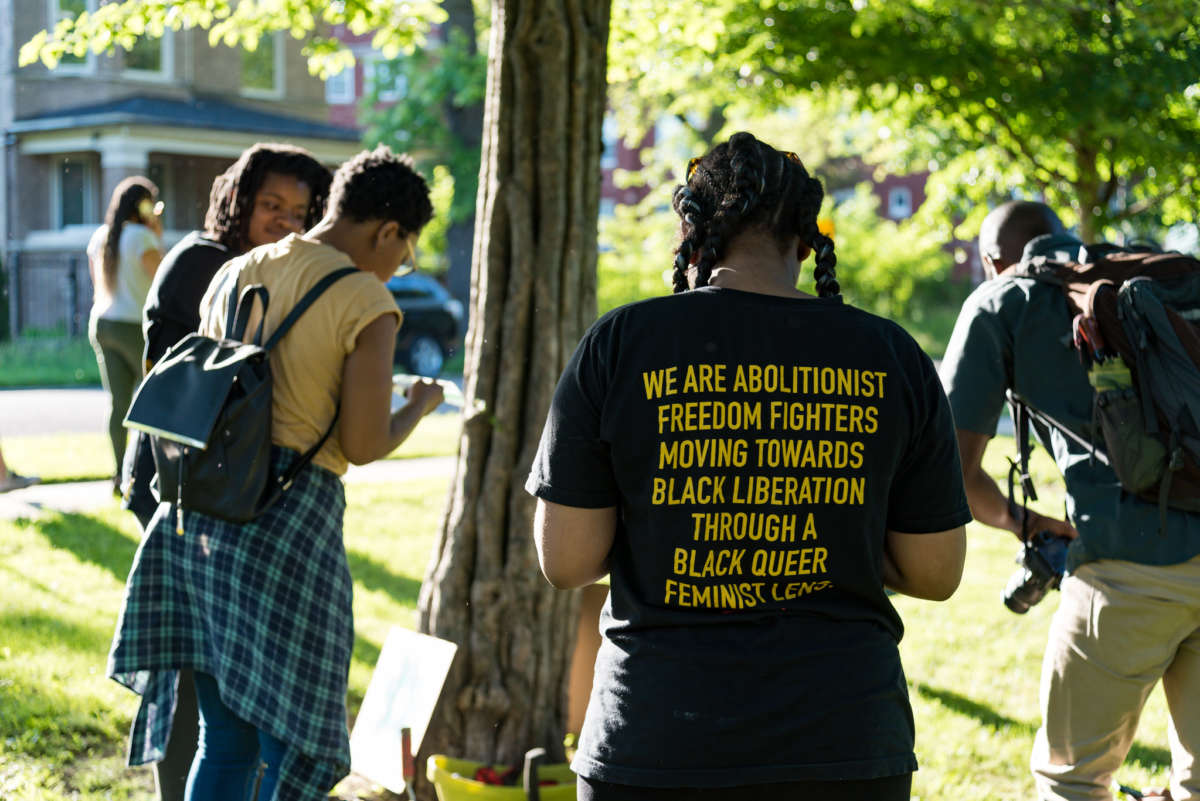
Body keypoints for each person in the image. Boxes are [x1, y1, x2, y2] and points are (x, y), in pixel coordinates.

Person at [526, 132, 970, 801]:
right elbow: (935, 571)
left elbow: (566, 560)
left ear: (690, 232)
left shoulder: (619, 345)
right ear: (806, 240)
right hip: (843, 743)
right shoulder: (892, 355)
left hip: (657, 742)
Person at [106, 145, 444, 801]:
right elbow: (364, 441)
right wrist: (420, 407)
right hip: (292, 522)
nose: (400, 266)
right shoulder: (365, 299)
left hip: (205, 514)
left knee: (223, 741)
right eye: (404, 251)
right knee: (289, 745)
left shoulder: (236, 270)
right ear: (387, 231)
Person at [939, 200, 1200, 801]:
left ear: (990, 261)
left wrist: (1025, 523)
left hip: (1126, 568)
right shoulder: (1149, 276)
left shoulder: (1004, 298)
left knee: (1073, 781)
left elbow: (953, 470)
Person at [123, 143, 332, 801]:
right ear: (240, 201)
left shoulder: (251, 268)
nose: (285, 223)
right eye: (271, 205)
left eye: (301, 212)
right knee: (197, 670)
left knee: (217, 672)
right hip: (186, 486)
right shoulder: (206, 264)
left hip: (221, 488)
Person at [87, 176, 163, 492]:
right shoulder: (142, 239)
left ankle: (120, 475)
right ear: (144, 205)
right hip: (134, 326)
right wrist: (157, 235)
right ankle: (150, 474)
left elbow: (97, 286)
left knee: (118, 405)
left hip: (103, 325)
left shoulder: (101, 237)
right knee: (154, 402)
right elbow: (163, 280)